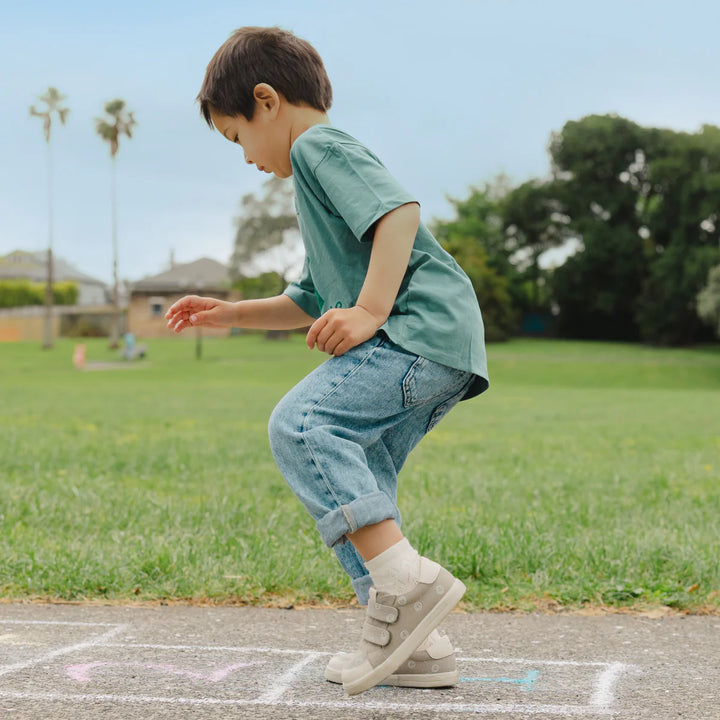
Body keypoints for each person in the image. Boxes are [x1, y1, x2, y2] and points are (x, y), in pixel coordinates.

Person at [165, 26, 489, 696]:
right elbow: (310, 298)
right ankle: (414, 640)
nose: (244, 156)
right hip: (444, 349)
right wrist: (229, 313)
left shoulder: (318, 146)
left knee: (304, 425)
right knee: (356, 473)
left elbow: (398, 213)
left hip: (415, 331)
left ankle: (407, 585)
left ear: (267, 100)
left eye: (236, 137)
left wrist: (370, 311)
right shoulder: (313, 182)